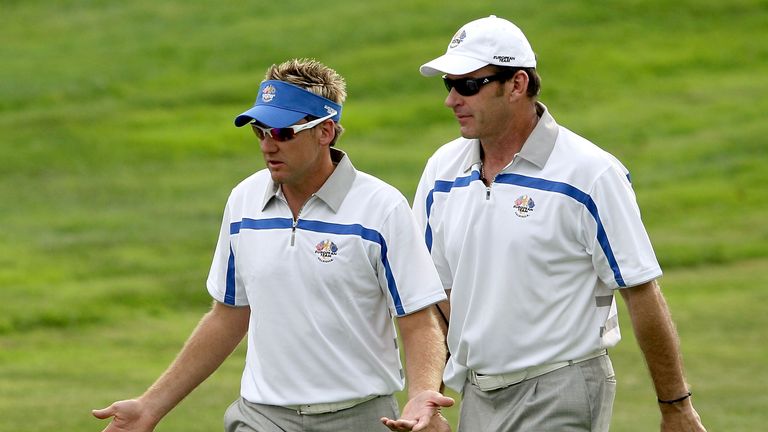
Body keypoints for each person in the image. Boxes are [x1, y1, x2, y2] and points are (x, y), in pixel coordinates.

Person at [92, 58, 454, 432]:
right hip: (261, 417)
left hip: (359, 416)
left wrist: (421, 394)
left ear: (325, 131)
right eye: (260, 132)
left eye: (282, 133)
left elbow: (417, 320)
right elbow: (228, 315)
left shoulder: (381, 207)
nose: (268, 146)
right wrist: (150, 407)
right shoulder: (243, 201)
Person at [409, 15, 707, 432]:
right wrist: (429, 398)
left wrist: (675, 406)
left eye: (469, 85)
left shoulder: (590, 174)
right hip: (478, 393)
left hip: (560, 387)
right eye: (449, 85)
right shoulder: (442, 171)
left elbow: (640, 290)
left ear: (517, 84)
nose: (452, 100)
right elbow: (434, 298)